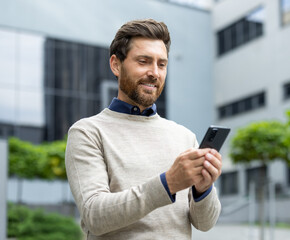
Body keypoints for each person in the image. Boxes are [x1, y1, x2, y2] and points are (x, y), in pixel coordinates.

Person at [65, 19, 222, 240]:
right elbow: (94, 216)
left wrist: (203, 188)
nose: (154, 73)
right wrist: (168, 183)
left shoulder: (185, 136)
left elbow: (205, 224)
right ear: (116, 65)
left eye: (162, 64)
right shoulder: (87, 132)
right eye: (143, 61)